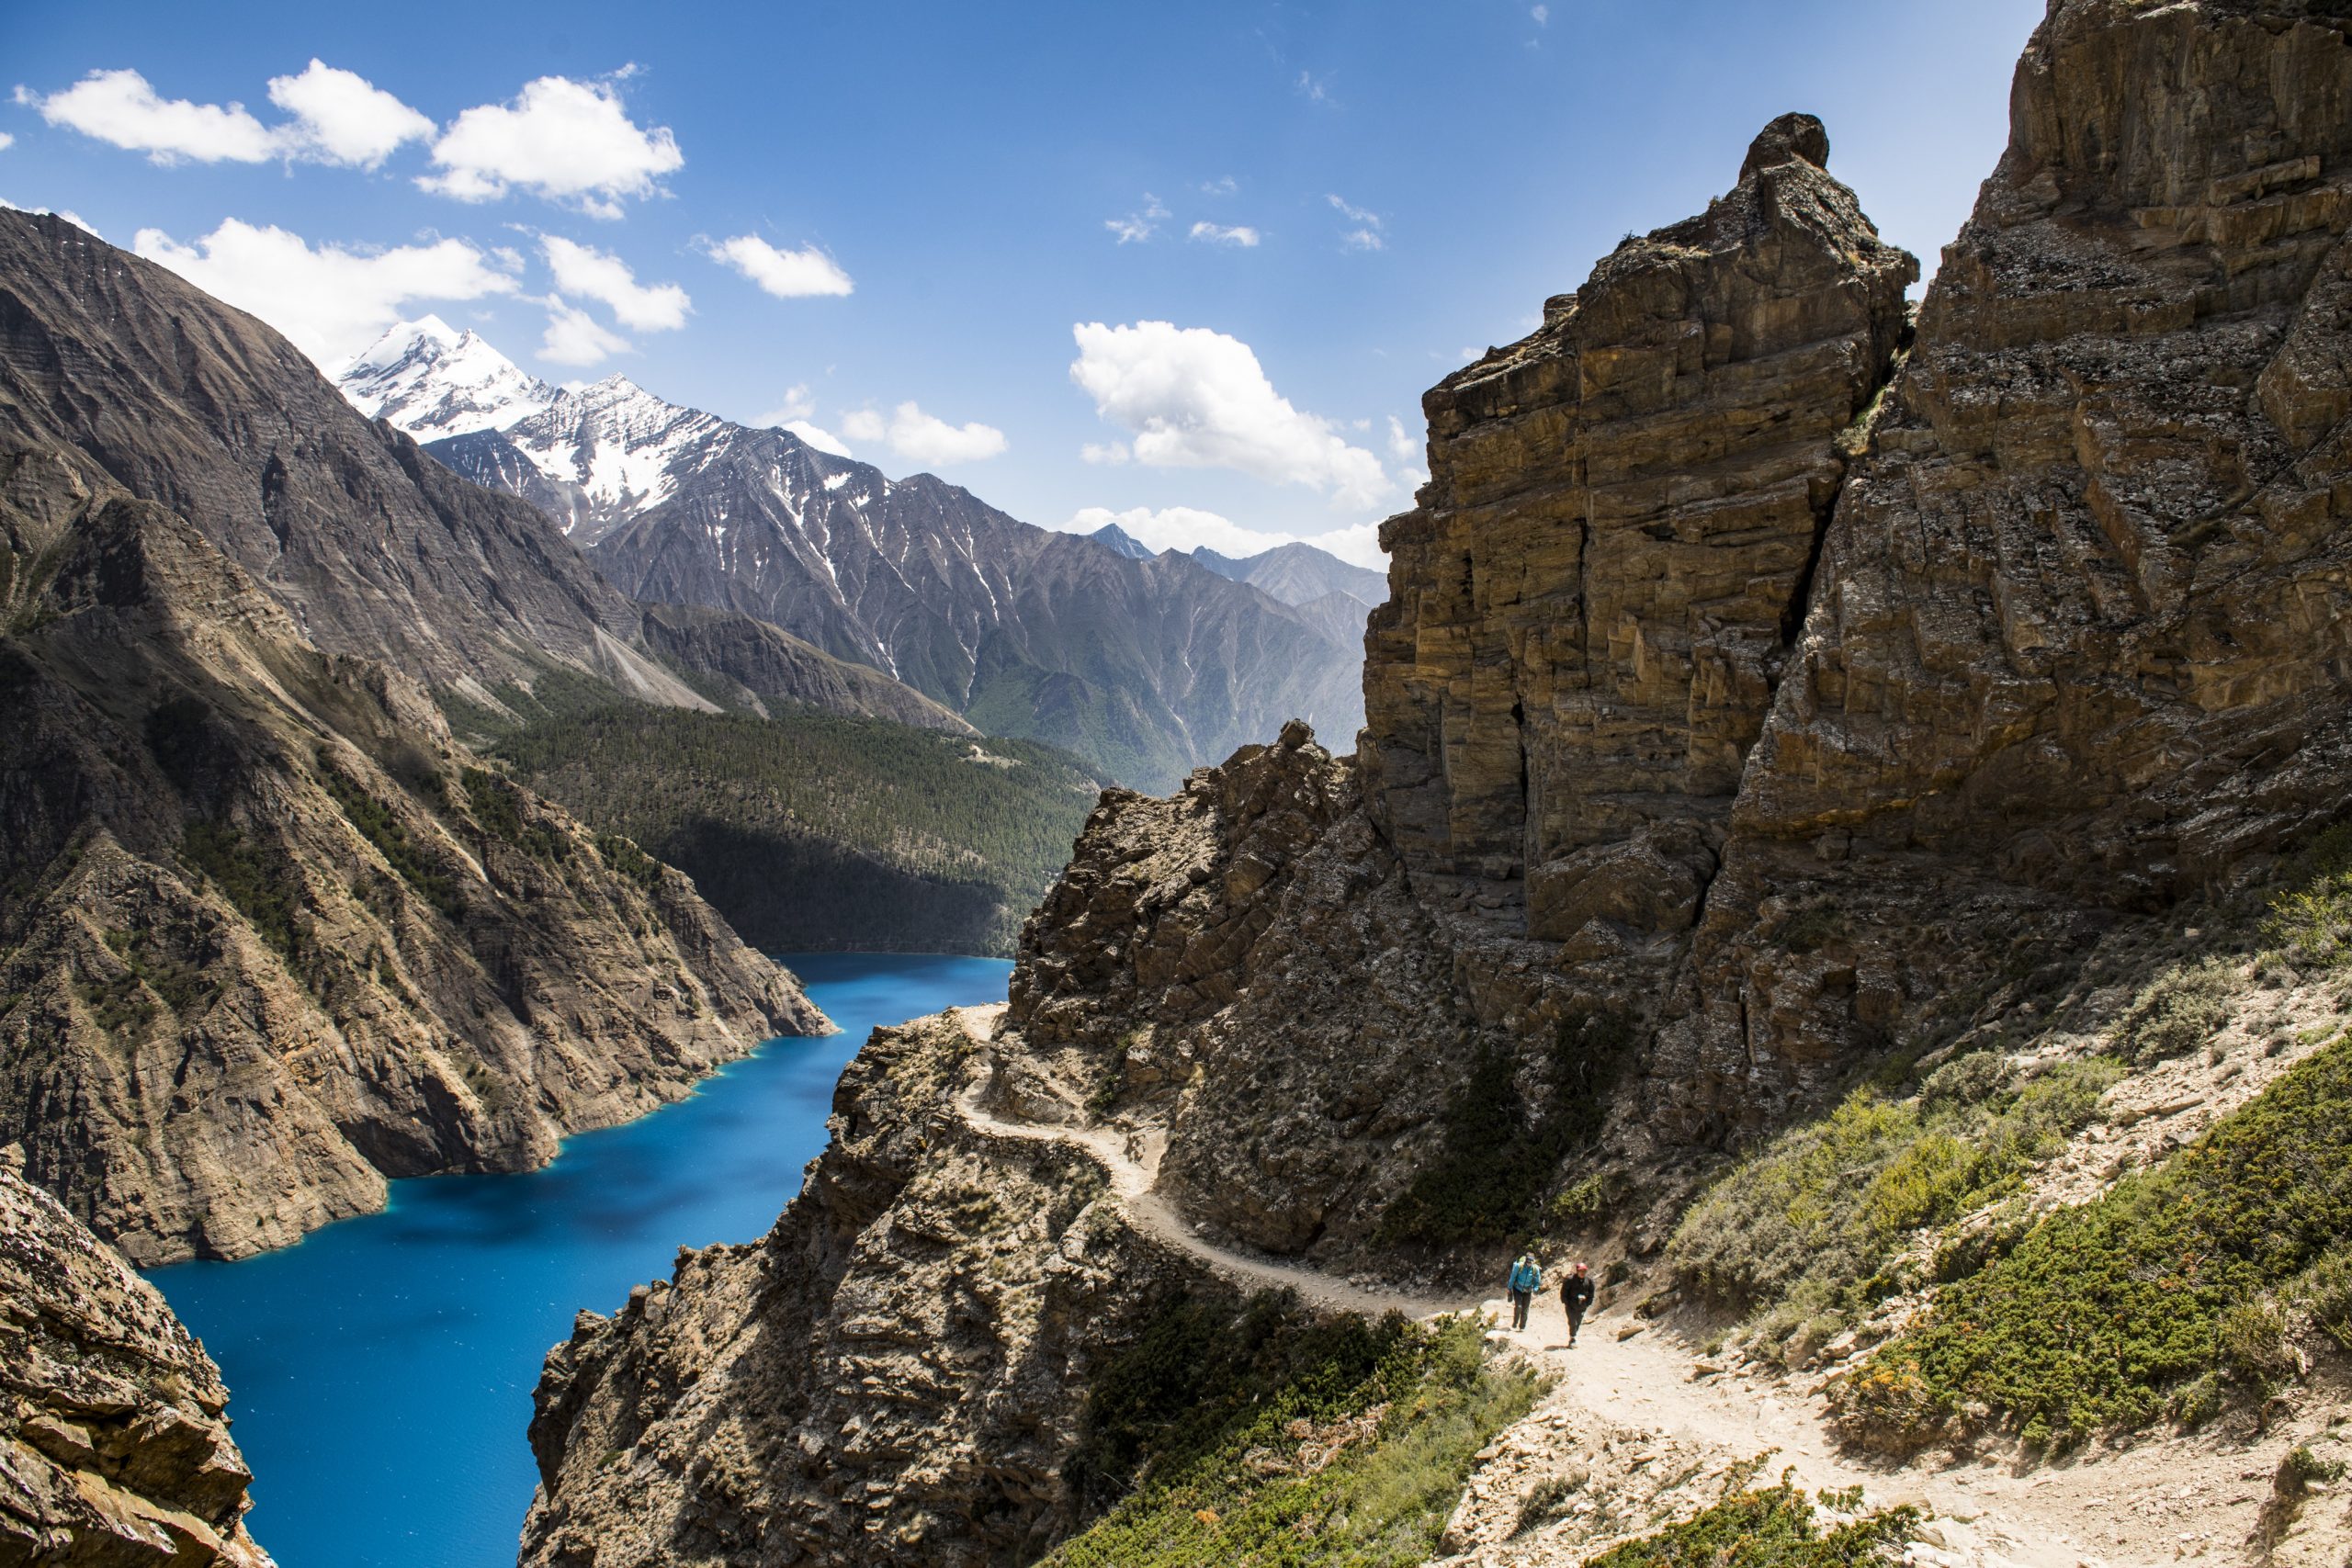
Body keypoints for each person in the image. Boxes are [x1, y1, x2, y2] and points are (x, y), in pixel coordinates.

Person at [1561, 1260, 1596, 1346]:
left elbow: (1591, 1293)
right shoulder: (1570, 1280)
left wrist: (1587, 1303)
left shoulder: (1589, 1281)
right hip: (1571, 1306)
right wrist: (1566, 1302)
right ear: (1577, 1271)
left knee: (1578, 1322)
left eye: (1584, 1271)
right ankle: (1572, 1339)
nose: (1582, 1273)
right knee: (1572, 1322)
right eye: (1581, 1271)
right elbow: (1564, 1292)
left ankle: (1573, 1336)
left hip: (1582, 1306)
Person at [1507, 1250, 1541, 1331]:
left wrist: (1535, 1289)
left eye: (1530, 1262)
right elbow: (1513, 1277)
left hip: (1528, 1290)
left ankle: (1522, 1326)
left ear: (1533, 1262)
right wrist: (1509, 1288)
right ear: (1526, 1261)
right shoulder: (1519, 1266)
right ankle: (1515, 1322)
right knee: (1518, 1306)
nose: (1529, 1263)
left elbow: (1537, 1281)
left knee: (1525, 1309)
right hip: (1517, 1289)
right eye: (1527, 1262)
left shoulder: (1535, 1269)